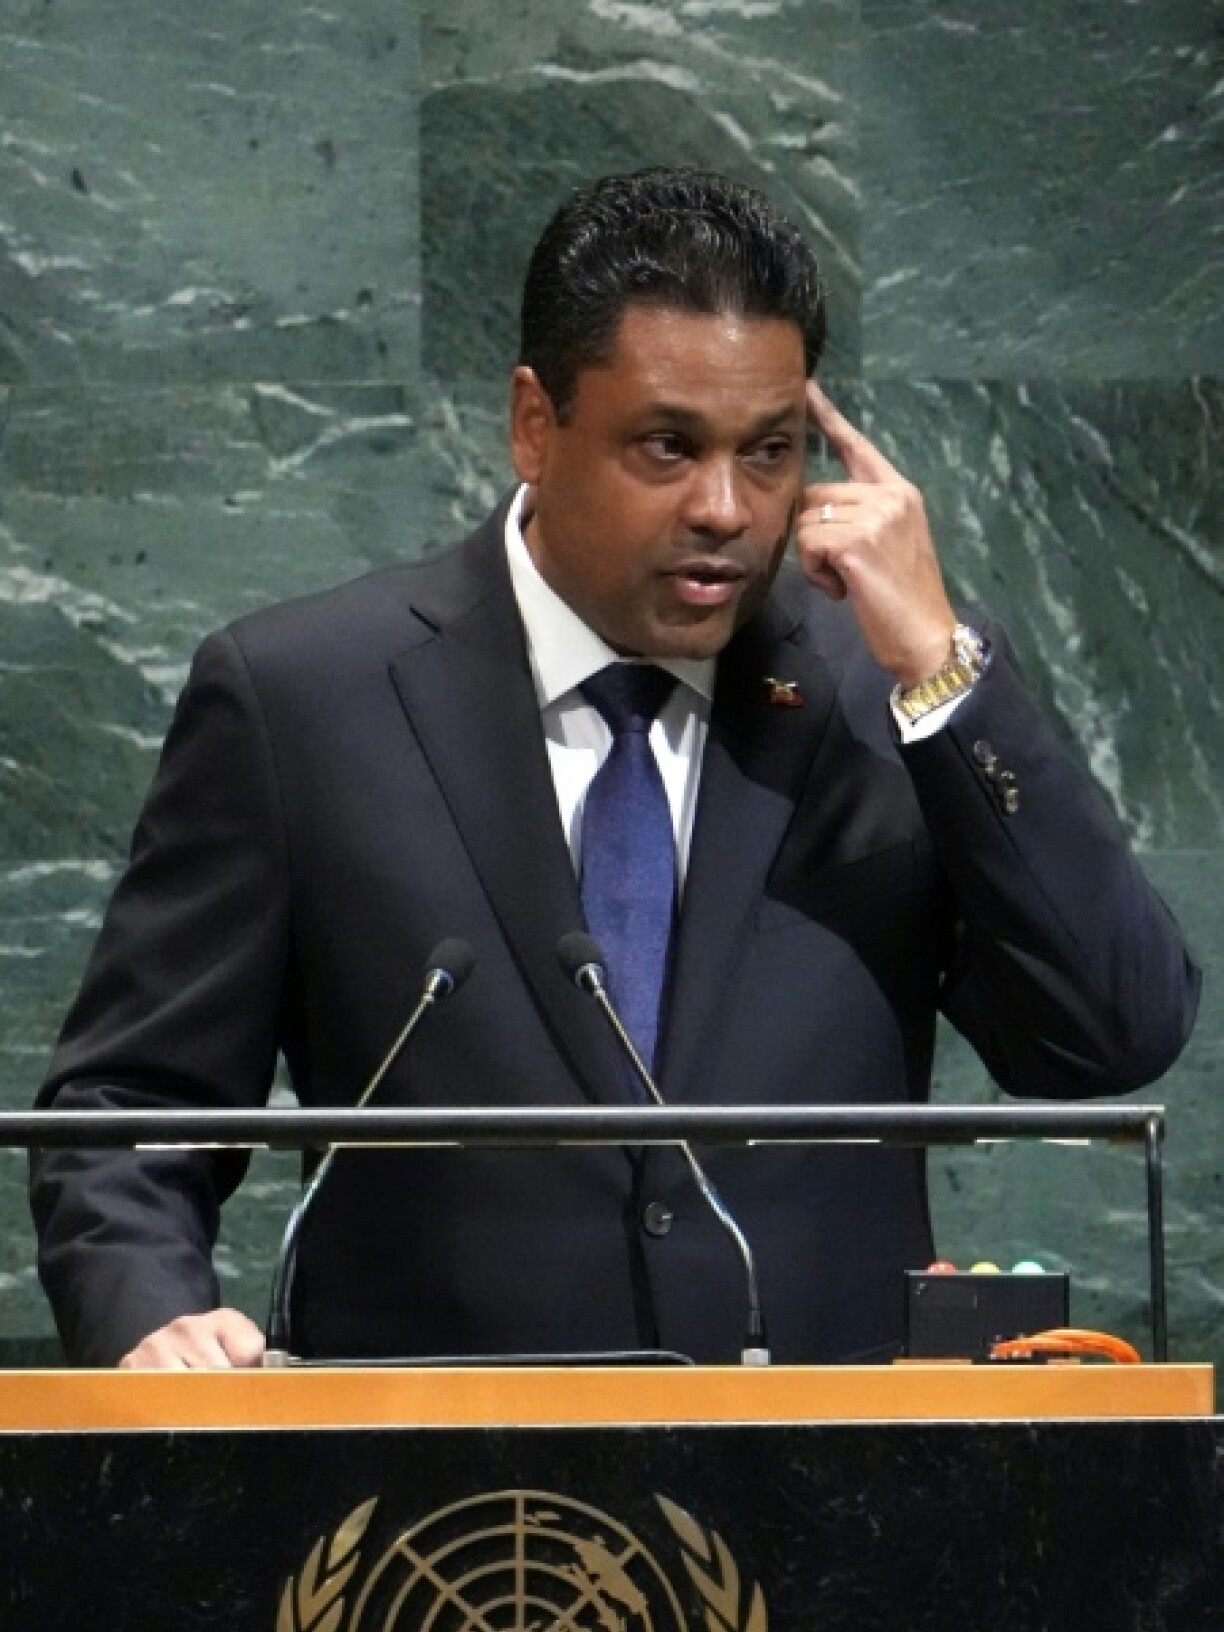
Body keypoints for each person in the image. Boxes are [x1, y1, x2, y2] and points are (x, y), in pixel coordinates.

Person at [30, 167, 1199, 1370]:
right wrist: (149, 1320)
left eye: (772, 452)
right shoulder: (306, 700)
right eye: (667, 445)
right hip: (433, 1519)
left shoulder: (881, 698)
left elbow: (1110, 1032)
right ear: (536, 423)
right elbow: (130, 1110)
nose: (726, 509)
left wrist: (947, 679)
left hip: (836, 1509)